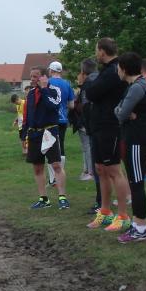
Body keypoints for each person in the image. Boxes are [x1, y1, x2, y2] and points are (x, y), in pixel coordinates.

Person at [84, 38, 132, 232]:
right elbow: (92, 92)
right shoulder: (106, 70)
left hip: (109, 126)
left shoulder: (114, 70)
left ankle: (123, 216)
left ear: (103, 51)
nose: (96, 53)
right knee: (100, 169)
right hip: (98, 126)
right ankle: (105, 212)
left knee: (113, 170)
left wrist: (89, 87)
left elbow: (91, 93)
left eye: (97, 50)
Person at [114, 53, 146, 243]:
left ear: (124, 68)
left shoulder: (137, 87)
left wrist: (124, 112)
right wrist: (124, 111)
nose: (117, 71)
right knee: (134, 182)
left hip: (137, 140)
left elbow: (120, 114)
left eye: (118, 67)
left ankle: (141, 228)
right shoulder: (135, 86)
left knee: (136, 184)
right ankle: (137, 224)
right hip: (134, 138)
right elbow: (120, 110)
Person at [22, 67, 69, 210]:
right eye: (31, 76)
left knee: (56, 165)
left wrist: (44, 90)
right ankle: (43, 199)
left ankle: (62, 197)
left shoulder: (54, 90)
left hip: (49, 133)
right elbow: (27, 114)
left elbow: (54, 106)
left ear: (44, 77)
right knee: (37, 167)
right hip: (34, 134)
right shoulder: (30, 94)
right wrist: (24, 134)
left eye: (35, 76)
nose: (32, 79)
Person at [46, 61, 75, 185]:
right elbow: (72, 105)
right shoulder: (67, 84)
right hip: (63, 120)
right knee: (60, 145)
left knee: (49, 147)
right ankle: (60, 175)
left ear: (51, 70)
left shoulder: (47, 83)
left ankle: (52, 179)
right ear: (60, 71)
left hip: (49, 120)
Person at [75, 59, 97, 183]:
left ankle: (90, 172)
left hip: (89, 123)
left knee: (88, 147)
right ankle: (88, 170)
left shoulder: (87, 85)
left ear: (83, 72)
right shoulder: (100, 80)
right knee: (88, 147)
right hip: (96, 122)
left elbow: (85, 106)